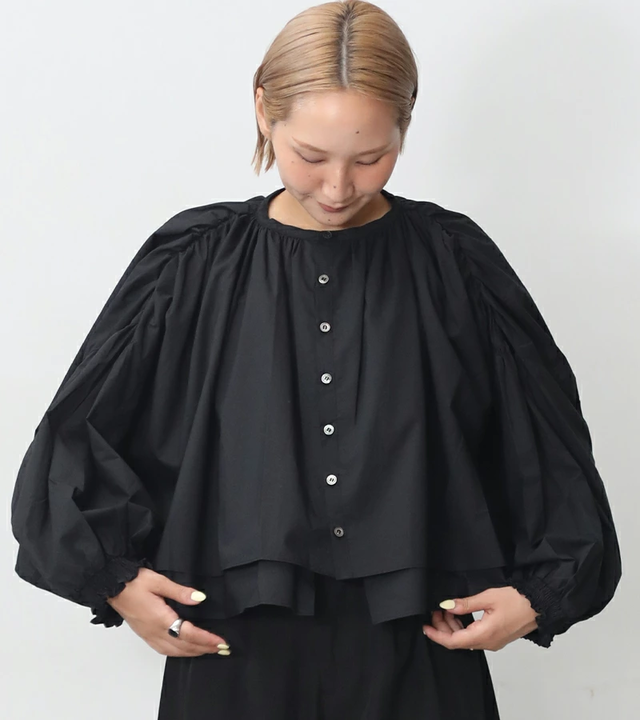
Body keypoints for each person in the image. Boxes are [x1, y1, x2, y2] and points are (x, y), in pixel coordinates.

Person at [10, 1, 622, 719]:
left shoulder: (456, 264)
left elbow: (547, 443)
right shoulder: (193, 263)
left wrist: (542, 594)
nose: (337, 188)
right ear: (263, 109)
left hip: (421, 655)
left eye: (370, 159)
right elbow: (77, 436)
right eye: (310, 155)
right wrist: (112, 580)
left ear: (406, 123)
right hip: (230, 655)